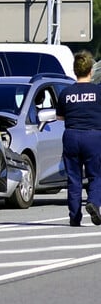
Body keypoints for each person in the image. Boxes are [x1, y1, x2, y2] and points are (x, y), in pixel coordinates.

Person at [55, 50, 101, 227]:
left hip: (71, 135)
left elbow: (60, 117)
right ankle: (93, 202)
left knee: (73, 178)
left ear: (75, 71)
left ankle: (74, 217)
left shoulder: (66, 93)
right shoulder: (98, 92)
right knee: (96, 175)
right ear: (90, 70)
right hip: (93, 136)